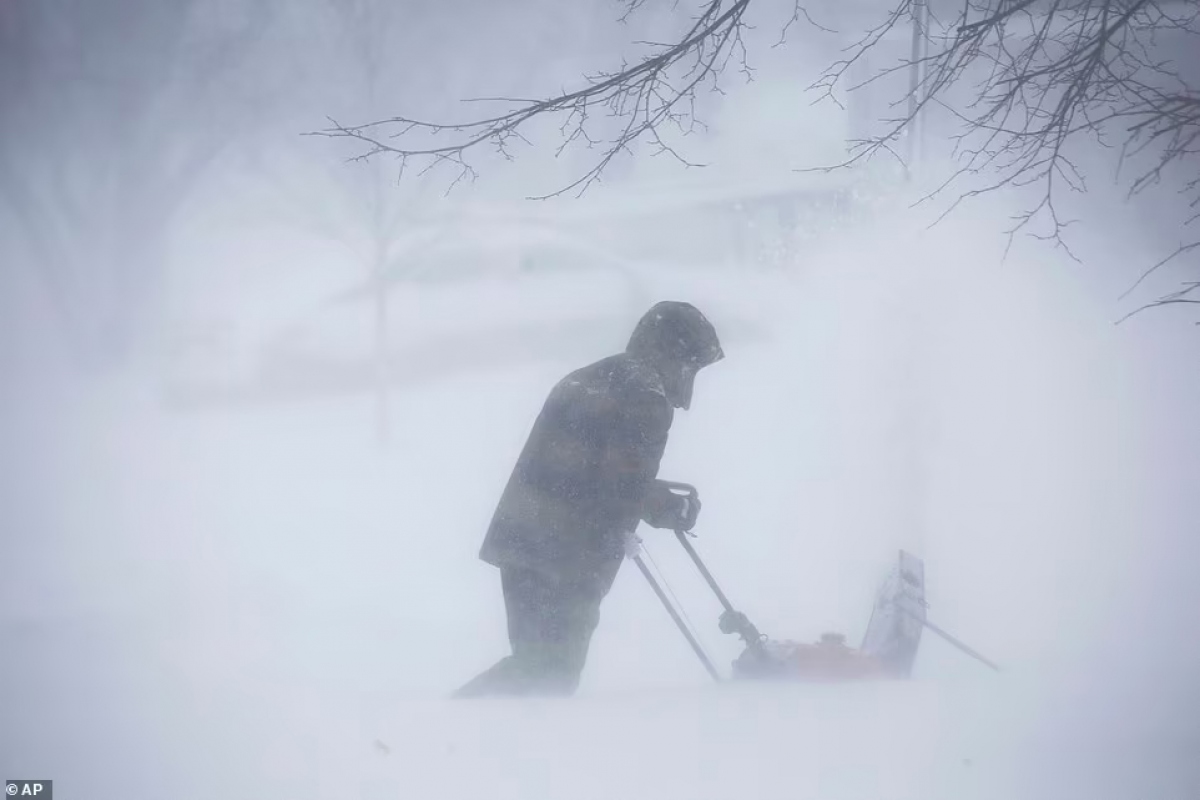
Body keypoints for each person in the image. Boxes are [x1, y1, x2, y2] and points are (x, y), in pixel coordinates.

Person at [453, 301, 724, 698]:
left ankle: (469, 736)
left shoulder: (590, 377)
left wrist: (653, 497)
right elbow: (621, 486)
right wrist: (668, 507)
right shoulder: (646, 394)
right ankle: (445, 727)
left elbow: (595, 469)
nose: (688, 382)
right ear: (673, 354)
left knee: (536, 666)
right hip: (568, 554)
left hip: (522, 539)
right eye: (691, 365)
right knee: (549, 675)